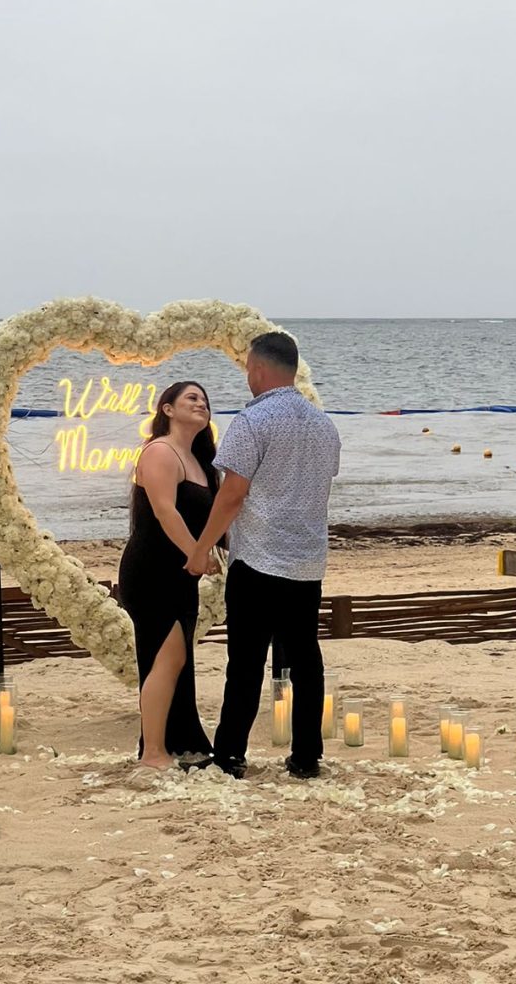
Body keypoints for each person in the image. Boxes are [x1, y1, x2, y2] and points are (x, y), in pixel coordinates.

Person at [186, 332, 341, 780]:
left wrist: (201, 549)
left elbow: (232, 494)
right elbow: (316, 487)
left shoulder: (253, 422)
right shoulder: (323, 424)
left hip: (258, 559)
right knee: (305, 658)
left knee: (247, 661)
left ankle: (231, 753)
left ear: (257, 369)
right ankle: (306, 756)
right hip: (307, 559)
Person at [118, 381, 222, 769]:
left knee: (174, 658)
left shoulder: (199, 460)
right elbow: (166, 512)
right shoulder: (160, 451)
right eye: (191, 398)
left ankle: (174, 744)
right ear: (167, 409)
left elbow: (214, 519)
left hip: (180, 574)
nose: (201, 404)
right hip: (152, 570)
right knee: (167, 657)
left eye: (205, 400)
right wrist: (196, 554)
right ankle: (153, 752)